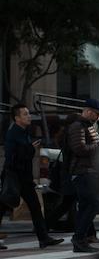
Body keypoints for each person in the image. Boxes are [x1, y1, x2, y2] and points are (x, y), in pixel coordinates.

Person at [2, 104, 64, 250]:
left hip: (25, 178)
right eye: (25, 114)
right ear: (17, 118)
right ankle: (44, 238)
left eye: (28, 113)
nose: (29, 116)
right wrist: (30, 149)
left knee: (35, 207)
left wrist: (29, 149)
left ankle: (44, 238)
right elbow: (12, 157)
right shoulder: (13, 134)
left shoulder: (24, 132)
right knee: (4, 205)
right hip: (14, 177)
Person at [67, 99, 99, 254]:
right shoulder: (78, 126)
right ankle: (78, 239)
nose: (98, 117)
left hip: (89, 171)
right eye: (97, 113)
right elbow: (79, 149)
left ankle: (80, 240)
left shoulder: (87, 126)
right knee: (95, 203)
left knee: (86, 206)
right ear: (88, 111)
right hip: (83, 172)